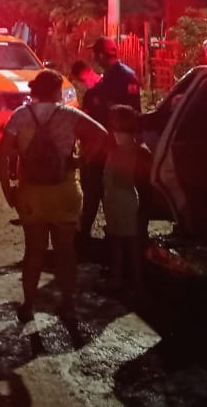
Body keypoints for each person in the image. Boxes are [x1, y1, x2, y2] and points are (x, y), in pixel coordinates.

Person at [0, 69, 109, 323]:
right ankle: (67, 304)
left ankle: (28, 305)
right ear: (57, 91)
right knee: (65, 252)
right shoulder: (69, 115)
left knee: (34, 251)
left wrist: (8, 191)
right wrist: (82, 161)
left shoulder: (21, 116)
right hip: (65, 192)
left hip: (31, 194)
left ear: (36, 91)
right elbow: (101, 135)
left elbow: (2, 156)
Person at [79, 37, 142, 251]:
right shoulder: (114, 77)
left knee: (103, 191)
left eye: (95, 54)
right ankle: (104, 238)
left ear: (100, 55)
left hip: (111, 146)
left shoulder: (123, 77)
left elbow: (133, 115)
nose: (93, 58)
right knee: (99, 190)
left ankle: (113, 241)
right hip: (106, 144)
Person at [103, 105, 151, 293]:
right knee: (120, 241)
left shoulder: (135, 149)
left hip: (128, 200)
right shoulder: (120, 145)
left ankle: (134, 282)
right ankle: (123, 279)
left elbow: (144, 185)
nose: (111, 124)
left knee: (130, 243)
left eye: (115, 120)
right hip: (117, 199)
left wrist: (144, 209)